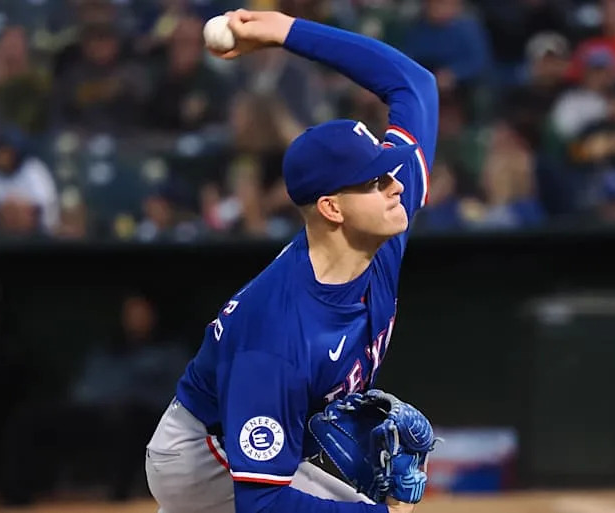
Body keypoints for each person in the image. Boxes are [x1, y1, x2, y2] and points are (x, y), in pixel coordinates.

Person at [144, 9, 437, 513]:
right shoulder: (278, 333)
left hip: (254, 431)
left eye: (389, 174)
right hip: (200, 458)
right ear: (331, 208)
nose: (397, 186)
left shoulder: (378, 229)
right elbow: (260, 503)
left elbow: (415, 84)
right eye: (375, 181)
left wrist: (285, 31)